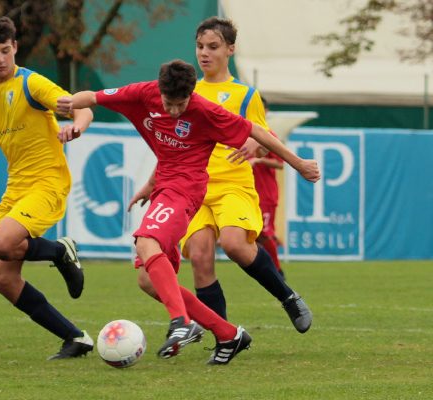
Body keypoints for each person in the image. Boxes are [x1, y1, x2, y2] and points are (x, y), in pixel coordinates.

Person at [57, 59, 320, 364]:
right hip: (165, 188)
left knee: (146, 241)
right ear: (159, 91)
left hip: (187, 188)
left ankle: (182, 322)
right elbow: (92, 97)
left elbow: (257, 132)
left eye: (181, 105)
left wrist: (298, 163)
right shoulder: (143, 94)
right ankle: (228, 334)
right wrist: (66, 105)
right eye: (169, 104)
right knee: (147, 280)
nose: (174, 112)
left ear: (191, 95)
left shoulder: (206, 111)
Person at [129, 17, 313, 334]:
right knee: (200, 256)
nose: (204, 53)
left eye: (213, 47)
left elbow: (263, 132)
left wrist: (256, 141)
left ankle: (287, 296)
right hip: (193, 189)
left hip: (233, 185)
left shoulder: (244, 95)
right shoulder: (186, 91)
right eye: (200, 46)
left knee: (235, 244)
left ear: (230, 49)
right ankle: (225, 336)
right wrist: (151, 183)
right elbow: (173, 147)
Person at [0, 16, 94, 360]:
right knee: (1, 277)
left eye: (5, 50)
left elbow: (83, 107)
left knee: (1, 242)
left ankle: (61, 251)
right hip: (16, 186)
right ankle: (75, 338)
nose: (1, 58)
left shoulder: (32, 85)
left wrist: (75, 128)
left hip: (48, 180)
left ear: (14, 47)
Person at [250, 96, 285, 277]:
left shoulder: (269, 135)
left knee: (263, 232)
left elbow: (280, 163)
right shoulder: (243, 132)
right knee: (253, 234)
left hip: (265, 193)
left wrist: (259, 160)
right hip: (247, 193)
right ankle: (269, 269)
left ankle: (278, 272)